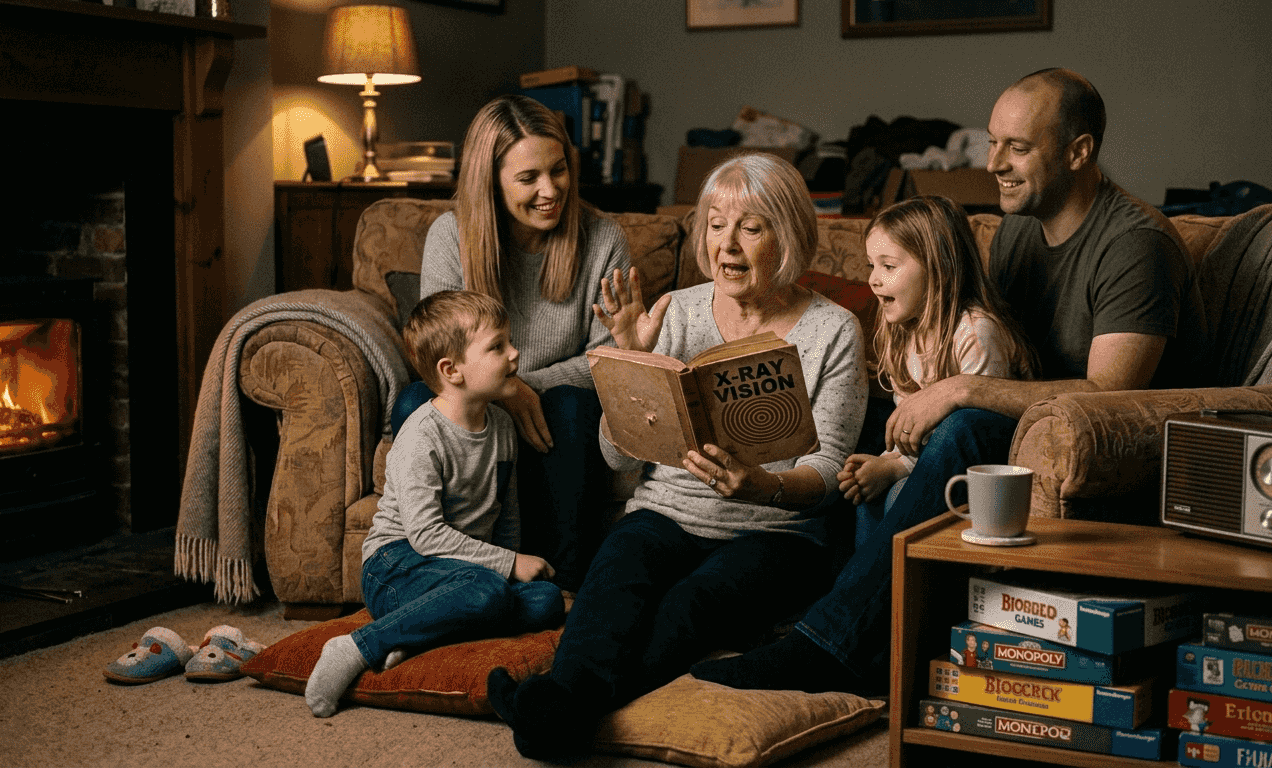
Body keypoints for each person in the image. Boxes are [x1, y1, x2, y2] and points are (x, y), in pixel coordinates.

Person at [691, 68, 1206, 695]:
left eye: (1017, 148)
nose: (994, 164)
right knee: (869, 439)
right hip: (1022, 433)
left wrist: (957, 389)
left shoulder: (1134, 245)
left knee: (959, 422)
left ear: (1079, 152)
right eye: (992, 143)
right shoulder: (1020, 228)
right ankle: (835, 617)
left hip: (1112, 462)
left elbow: (1110, 399)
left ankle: (830, 644)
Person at [486, 152, 869, 759]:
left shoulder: (834, 330)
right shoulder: (677, 310)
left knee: (691, 604)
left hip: (779, 533)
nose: (728, 245)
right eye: (716, 225)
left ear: (789, 234)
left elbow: (826, 475)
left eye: (751, 226)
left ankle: (556, 707)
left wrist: (759, 487)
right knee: (611, 583)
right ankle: (564, 709)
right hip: (666, 512)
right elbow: (618, 459)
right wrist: (631, 362)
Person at [394, 94, 633, 593]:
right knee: (416, 402)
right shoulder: (451, 234)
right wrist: (502, 390)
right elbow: (438, 360)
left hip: (555, 407)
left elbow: (608, 358)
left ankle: (563, 587)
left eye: (559, 170)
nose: (551, 190)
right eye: (529, 179)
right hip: (475, 399)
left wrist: (521, 385)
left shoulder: (603, 237)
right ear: (491, 181)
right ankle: (444, 581)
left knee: (572, 405)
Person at [305, 290, 564, 718]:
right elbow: (425, 536)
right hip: (396, 567)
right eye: (498, 346)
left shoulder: (501, 425)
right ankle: (357, 646)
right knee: (488, 590)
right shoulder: (422, 436)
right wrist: (508, 564)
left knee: (546, 601)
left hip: (461, 573)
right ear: (452, 370)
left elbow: (506, 520)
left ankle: (414, 636)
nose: (515, 354)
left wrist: (510, 563)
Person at [835, 195, 1038, 521]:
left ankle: (862, 574)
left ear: (938, 269)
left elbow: (972, 437)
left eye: (888, 266)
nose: (873, 278)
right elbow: (911, 434)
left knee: (896, 494)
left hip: (981, 472)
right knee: (866, 498)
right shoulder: (901, 332)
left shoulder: (976, 333)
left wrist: (893, 470)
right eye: (871, 265)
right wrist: (885, 463)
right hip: (926, 461)